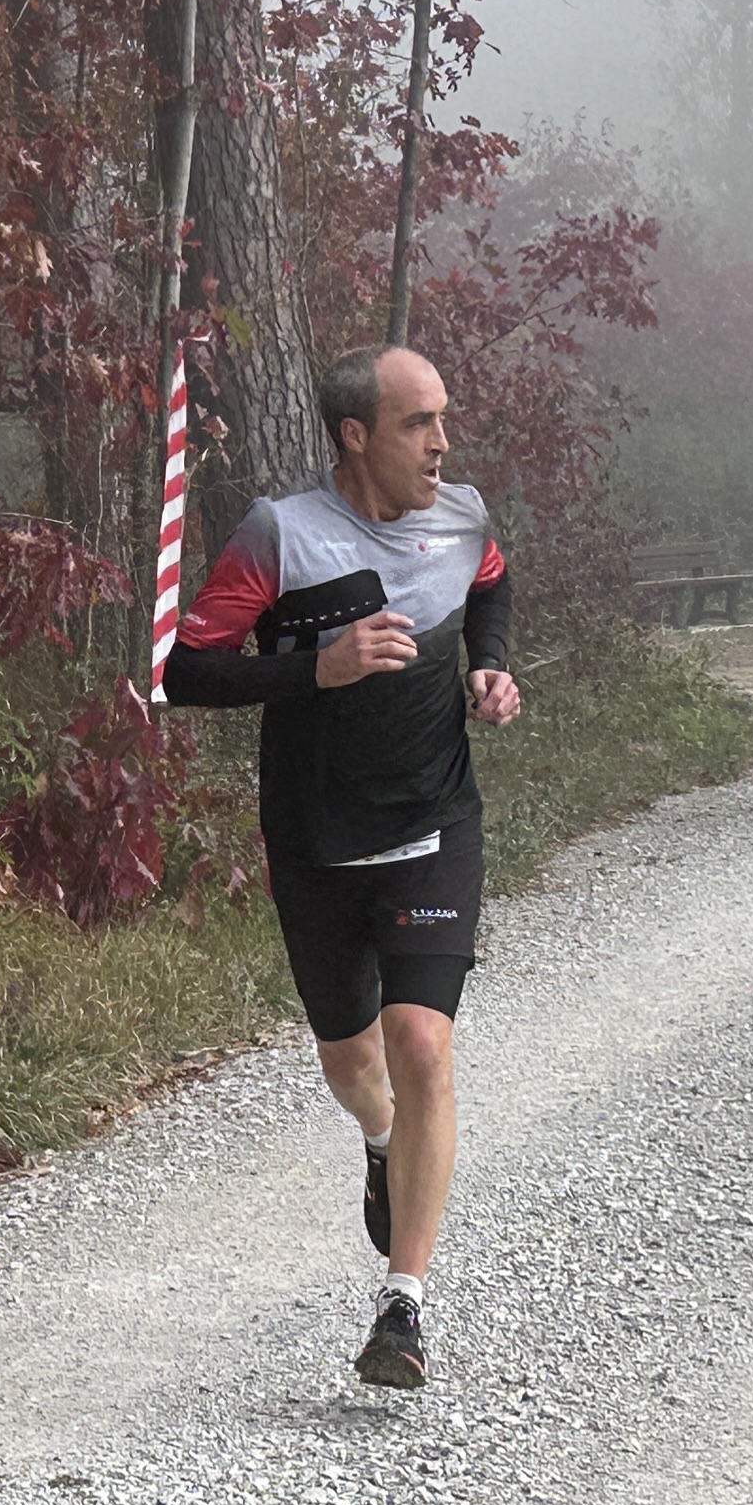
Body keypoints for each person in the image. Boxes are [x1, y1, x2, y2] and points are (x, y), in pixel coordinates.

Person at [168, 345, 522, 1392]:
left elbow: (491, 584)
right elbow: (188, 670)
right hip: (317, 841)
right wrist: (313, 669)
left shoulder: (463, 517)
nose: (443, 443)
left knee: (421, 1042)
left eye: (444, 419)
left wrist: (492, 665)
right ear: (356, 435)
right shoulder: (281, 535)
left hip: (434, 826)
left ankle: (401, 1306)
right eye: (420, 423)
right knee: (353, 1064)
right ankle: (379, 1139)